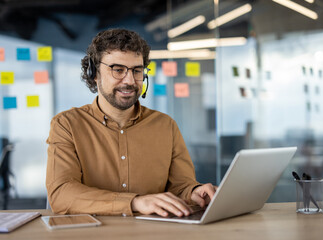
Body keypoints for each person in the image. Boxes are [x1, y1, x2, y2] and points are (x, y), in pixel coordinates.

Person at [46, 28, 217, 217]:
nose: (129, 80)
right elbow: (61, 195)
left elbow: (181, 186)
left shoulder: (165, 126)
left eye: (137, 70)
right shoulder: (67, 125)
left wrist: (194, 193)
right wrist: (134, 202)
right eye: (118, 70)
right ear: (94, 73)